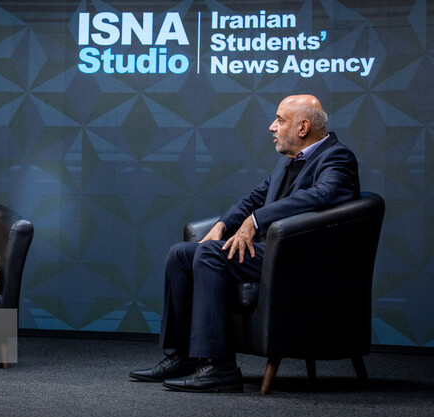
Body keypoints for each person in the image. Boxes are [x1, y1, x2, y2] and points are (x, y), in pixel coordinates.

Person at [129, 94, 360, 392]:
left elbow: (321, 196)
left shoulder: (337, 157)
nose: (272, 127)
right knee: (181, 254)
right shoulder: (287, 161)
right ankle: (186, 356)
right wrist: (223, 225)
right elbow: (254, 198)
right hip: (273, 253)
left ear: (303, 128)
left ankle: (221, 368)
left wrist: (256, 220)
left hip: (302, 259)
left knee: (211, 255)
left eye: (280, 120)